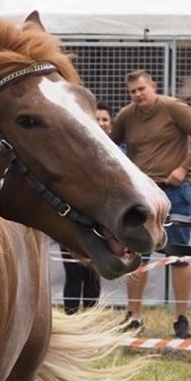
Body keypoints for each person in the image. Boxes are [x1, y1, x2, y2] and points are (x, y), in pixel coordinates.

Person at [111, 70, 191, 338]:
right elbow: (110, 146)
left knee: (178, 255)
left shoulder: (173, 108)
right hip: (139, 194)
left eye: (142, 89)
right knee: (135, 254)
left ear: (153, 86)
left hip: (174, 192)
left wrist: (185, 168)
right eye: (133, 92)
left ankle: (181, 318)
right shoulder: (126, 116)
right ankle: (133, 316)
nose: (138, 95)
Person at [60, 104, 108, 314]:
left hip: (102, 225)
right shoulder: (72, 154)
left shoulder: (119, 155)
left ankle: (90, 320)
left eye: (105, 119)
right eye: (96, 119)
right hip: (73, 224)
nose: (101, 123)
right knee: (74, 273)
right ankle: (71, 318)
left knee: (93, 276)